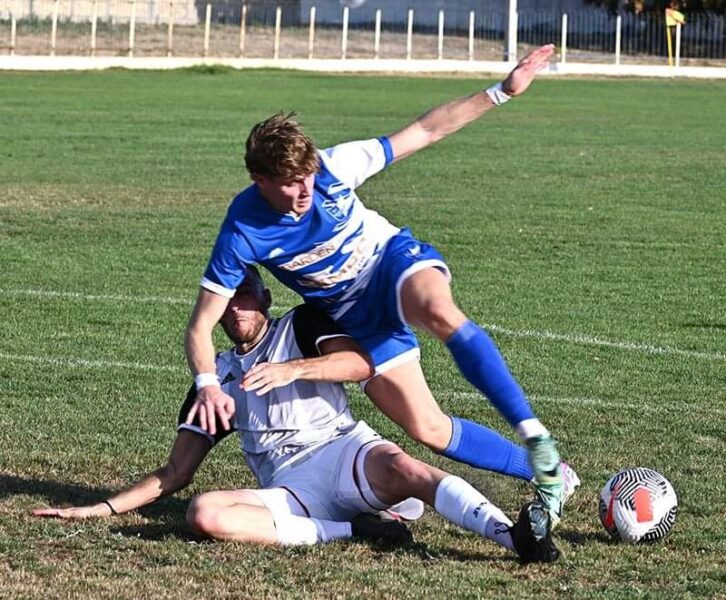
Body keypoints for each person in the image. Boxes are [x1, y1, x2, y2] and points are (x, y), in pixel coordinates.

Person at [185, 45, 577, 538]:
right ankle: (549, 471)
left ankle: (534, 433)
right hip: (356, 317)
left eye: (308, 178)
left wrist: (501, 92)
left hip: (389, 263)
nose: (305, 191)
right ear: (259, 180)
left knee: (437, 309)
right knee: (429, 429)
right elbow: (201, 326)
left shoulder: (333, 168)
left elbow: (425, 130)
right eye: (290, 184)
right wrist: (206, 383)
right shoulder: (241, 229)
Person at [34, 269, 560, 563]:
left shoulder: (299, 326)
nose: (238, 307)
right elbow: (174, 474)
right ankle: (354, 532)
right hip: (290, 491)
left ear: (264, 296)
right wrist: (98, 510)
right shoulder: (215, 380)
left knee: (408, 468)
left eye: (247, 295)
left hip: (343, 452)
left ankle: (514, 538)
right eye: (228, 301)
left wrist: (291, 369)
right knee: (204, 515)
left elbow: (360, 364)